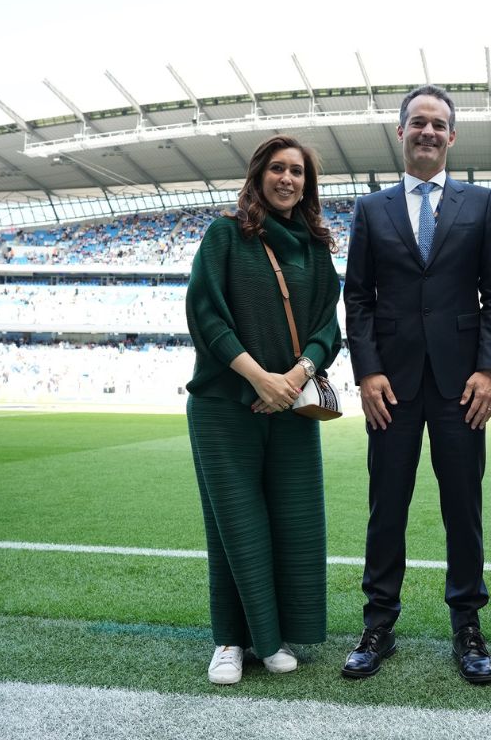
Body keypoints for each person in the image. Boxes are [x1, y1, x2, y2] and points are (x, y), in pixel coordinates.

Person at [341, 84, 491, 684]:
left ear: (452, 136)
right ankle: (378, 623)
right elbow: (356, 298)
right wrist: (367, 372)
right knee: (386, 507)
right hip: (391, 385)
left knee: (463, 508)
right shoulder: (371, 209)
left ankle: (467, 625)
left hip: (461, 385)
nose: (428, 132)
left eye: (439, 124)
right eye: (418, 122)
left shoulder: (483, 204)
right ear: (401, 132)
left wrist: (489, 370)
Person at [184, 135, 341, 686]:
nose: (288, 179)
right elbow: (207, 315)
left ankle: (275, 636)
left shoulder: (316, 247)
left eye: (297, 171)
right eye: (277, 168)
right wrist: (258, 377)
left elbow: (329, 327)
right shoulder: (225, 234)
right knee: (235, 523)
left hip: (292, 404)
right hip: (226, 404)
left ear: (308, 183)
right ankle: (231, 641)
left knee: (294, 522)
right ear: (258, 175)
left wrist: (295, 376)